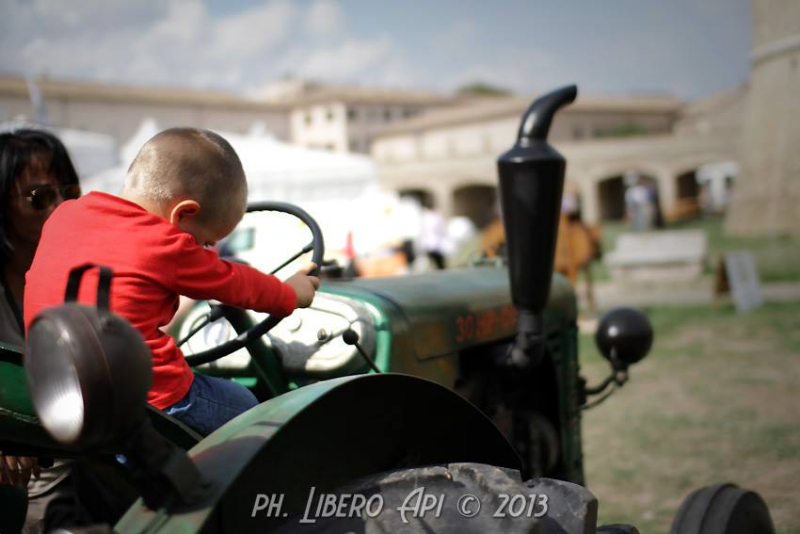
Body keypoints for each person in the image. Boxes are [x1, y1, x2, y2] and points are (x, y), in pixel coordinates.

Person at [24, 127, 320, 437]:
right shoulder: (163, 242)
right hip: (144, 396)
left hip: (58, 388)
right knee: (247, 407)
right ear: (183, 214)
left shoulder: (65, 215)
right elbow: (235, 282)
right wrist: (288, 293)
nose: (204, 253)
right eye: (205, 244)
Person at [0, 128, 82, 533]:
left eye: (69, 191)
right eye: (40, 197)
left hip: (77, 450)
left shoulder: (83, 277)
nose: (62, 207)